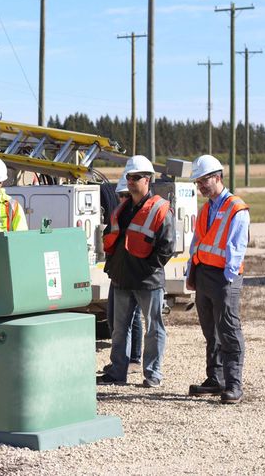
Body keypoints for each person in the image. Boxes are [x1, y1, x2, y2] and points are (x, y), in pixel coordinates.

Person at [97, 155, 175, 388]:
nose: (131, 181)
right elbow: (112, 239)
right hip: (122, 278)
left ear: (148, 180)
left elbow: (167, 246)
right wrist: (114, 266)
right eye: (129, 177)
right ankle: (118, 371)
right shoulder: (122, 209)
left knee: (154, 328)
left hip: (147, 281)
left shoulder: (160, 209)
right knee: (119, 329)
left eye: (136, 177)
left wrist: (147, 268)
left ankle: (153, 374)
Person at [185, 155, 250, 404]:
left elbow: (236, 247)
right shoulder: (206, 208)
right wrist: (192, 273)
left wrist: (228, 281)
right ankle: (215, 379)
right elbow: (197, 243)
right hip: (203, 277)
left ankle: (233, 385)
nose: (201, 186)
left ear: (218, 177)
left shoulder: (236, 208)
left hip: (224, 279)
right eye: (198, 182)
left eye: (204, 180)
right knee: (210, 332)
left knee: (229, 331)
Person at [105, 174, 143, 367]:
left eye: (126, 195)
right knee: (115, 319)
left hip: (135, 273)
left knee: (133, 317)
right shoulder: (118, 214)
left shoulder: (138, 214)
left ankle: (134, 358)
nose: (123, 199)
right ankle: (121, 360)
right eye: (120, 195)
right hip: (118, 272)